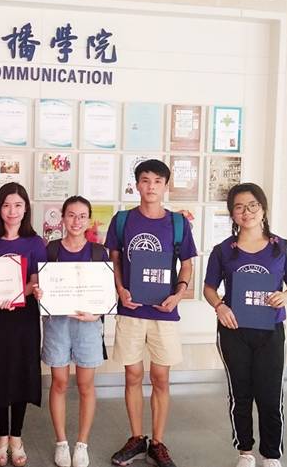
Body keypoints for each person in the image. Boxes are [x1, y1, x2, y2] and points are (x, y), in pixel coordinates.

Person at [105, 159, 197, 467]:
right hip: (131, 309)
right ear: (137, 185)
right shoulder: (122, 220)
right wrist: (120, 289)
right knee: (132, 375)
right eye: (145, 180)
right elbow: (115, 261)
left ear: (166, 186)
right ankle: (136, 438)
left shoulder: (178, 223)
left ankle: (157, 442)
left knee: (160, 377)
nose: (151, 186)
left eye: (158, 181)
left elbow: (187, 264)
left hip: (163, 310)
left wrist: (178, 294)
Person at [203, 183, 287, 467]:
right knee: (240, 392)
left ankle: (271, 454)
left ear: (263, 208)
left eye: (252, 205)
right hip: (233, 331)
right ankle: (245, 451)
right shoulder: (223, 251)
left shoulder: (282, 248)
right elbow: (209, 288)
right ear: (232, 214)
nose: (246, 212)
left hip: (270, 330)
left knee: (270, 395)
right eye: (239, 207)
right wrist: (220, 306)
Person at [0, 182, 46, 467]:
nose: (12, 211)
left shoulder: (35, 242)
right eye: (6, 205)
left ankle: (16, 437)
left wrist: (18, 294)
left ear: (26, 208)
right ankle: (1, 437)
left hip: (23, 317)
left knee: (21, 374)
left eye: (18, 205)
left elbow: (35, 280)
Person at [40, 196, 108, 467]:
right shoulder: (51, 249)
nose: (76, 221)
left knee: (85, 384)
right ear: (63, 218)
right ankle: (61, 442)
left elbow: (107, 292)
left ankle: (82, 444)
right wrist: (40, 292)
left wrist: (97, 313)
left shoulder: (98, 252)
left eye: (82, 216)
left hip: (88, 325)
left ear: (89, 219)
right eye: (71, 215)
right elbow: (40, 284)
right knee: (58, 382)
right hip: (57, 323)